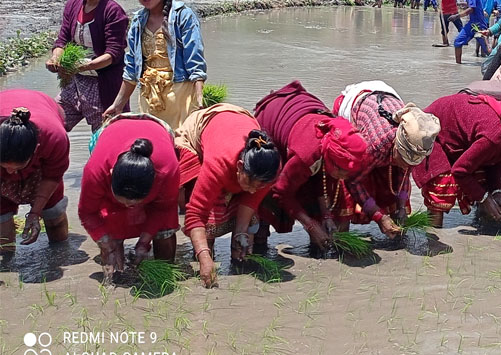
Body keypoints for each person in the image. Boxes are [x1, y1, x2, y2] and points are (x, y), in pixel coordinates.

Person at [252, 81, 368, 250]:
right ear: (332, 160)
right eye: (343, 172)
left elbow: (320, 176)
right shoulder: (305, 156)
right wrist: (311, 226)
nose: (345, 178)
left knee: (323, 188)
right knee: (267, 189)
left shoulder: (336, 140)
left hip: (304, 115)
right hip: (274, 118)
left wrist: (327, 216)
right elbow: (280, 191)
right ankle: (259, 239)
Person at [176, 104, 281, 288]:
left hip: (237, 119)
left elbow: (250, 200)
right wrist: (204, 256)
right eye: (249, 184)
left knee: (249, 221)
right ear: (240, 166)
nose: (252, 191)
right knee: (209, 218)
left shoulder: (269, 168)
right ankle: (205, 258)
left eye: (260, 187)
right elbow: (195, 213)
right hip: (200, 129)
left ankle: (237, 257)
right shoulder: (218, 164)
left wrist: (240, 232)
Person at [413, 93, 501, 228]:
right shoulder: (494, 136)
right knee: (441, 188)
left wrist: (496, 192)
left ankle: (485, 226)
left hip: (461, 139)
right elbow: (460, 171)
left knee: (482, 183)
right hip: (432, 129)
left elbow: (493, 163)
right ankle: (433, 237)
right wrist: (484, 199)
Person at [104, 0, 206, 131]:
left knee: (180, 148)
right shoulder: (137, 21)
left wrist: (200, 100)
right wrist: (118, 105)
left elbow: (195, 62)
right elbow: (131, 70)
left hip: (180, 97)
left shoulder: (183, 17)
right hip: (148, 97)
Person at [332, 82, 441, 237]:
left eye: (411, 162)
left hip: (384, 98)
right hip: (355, 106)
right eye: (404, 160)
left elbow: (403, 176)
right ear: (396, 147)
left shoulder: (419, 141)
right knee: (345, 184)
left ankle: (396, 223)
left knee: (393, 181)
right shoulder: (375, 145)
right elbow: (353, 181)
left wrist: (402, 207)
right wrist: (379, 216)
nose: (407, 166)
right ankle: (340, 237)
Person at [79, 114, 179, 278]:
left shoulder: (168, 169)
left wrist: (143, 243)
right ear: (110, 175)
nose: (129, 207)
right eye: (123, 201)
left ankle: (166, 271)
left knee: (165, 229)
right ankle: (116, 267)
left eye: (135, 202)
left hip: (158, 130)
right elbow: (87, 212)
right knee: (112, 220)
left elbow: (163, 208)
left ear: (154, 181)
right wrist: (105, 242)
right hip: (111, 131)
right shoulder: (96, 171)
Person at [46, 0, 129, 133]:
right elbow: (62, 41)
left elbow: (113, 54)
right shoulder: (72, 6)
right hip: (73, 85)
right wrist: (56, 58)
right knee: (49, 124)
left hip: (103, 87)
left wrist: (81, 66)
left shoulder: (113, 12)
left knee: (106, 140)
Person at [0, 91, 70, 256]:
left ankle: (60, 255)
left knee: (54, 215)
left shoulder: (54, 138)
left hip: (44, 113)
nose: (10, 172)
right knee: (2, 231)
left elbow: (52, 176)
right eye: (5, 167)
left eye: (17, 167)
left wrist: (35, 212)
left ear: (35, 152)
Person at [452, 0, 489, 64]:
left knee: (487, 50)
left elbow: (471, 9)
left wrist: (457, 16)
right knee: (458, 42)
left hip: (477, 25)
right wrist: (461, 3)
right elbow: (472, 5)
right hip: (475, 23)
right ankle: (458, 66)